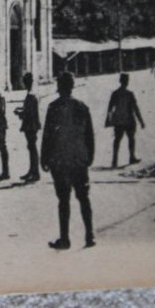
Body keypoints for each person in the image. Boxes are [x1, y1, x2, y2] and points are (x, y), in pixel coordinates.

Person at [40, 71, 95, 250]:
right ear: (72, 86)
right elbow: (89, 135)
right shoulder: (82, 107)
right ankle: (89, 236)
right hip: (78, 159)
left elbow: (47, 135)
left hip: (60, 160)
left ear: (58, 87)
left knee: (63, 200)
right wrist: (89, 157)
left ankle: (65, 239)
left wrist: (44, 157)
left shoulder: (53, 107)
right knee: (83, 197)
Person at [105, 72, 145, 168]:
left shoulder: (115, 93)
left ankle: (114, 160)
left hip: (118, 120)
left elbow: (110, 108)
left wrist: (108, 120)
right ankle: (131, 157)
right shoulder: (129, 94)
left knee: (117, 140)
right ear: (127, 82)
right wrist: (141, 121)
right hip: (129, 120)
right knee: (131, 139)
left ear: (120, 81)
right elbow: (135, 108)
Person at [14, 71, 41, 182]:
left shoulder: (30, 95)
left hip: (30, 125)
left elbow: (28, 113)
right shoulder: (33, 94)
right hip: (33, 125)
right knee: (31, 148)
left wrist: (19, 113)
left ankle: (35, 172)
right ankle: (32, 171)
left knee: (32, 148)